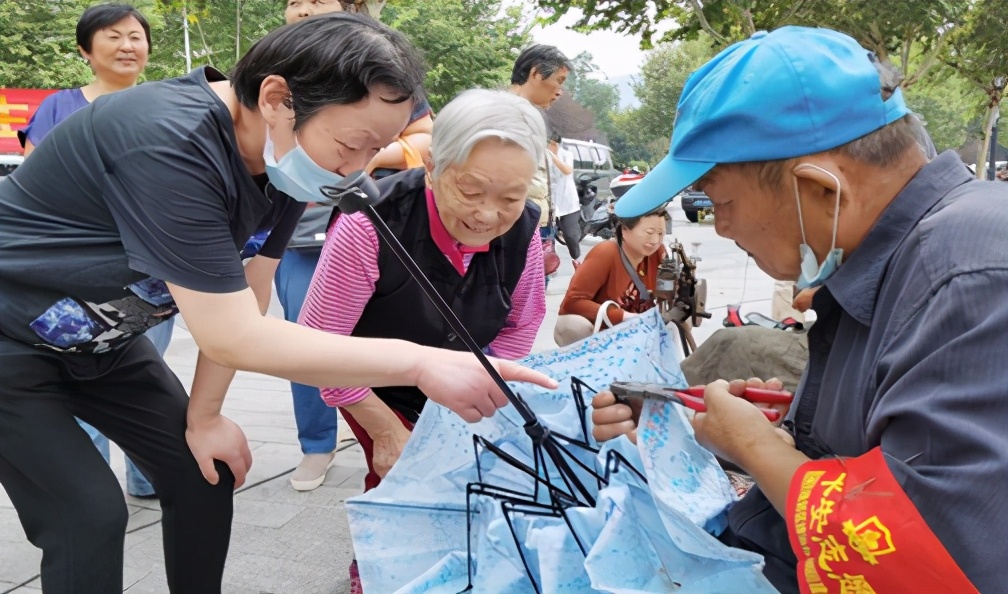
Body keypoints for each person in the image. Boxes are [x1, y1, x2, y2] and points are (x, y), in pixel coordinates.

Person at [0, 14, 554, 592]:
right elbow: (232, 334)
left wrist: (207, 417)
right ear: (276, 99)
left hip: (105, 344)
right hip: (11, 340)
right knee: (88, 515)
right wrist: (420, 362)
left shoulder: (282, 161)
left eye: (375, 151)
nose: (356, 172)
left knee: (206, 472)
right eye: (351, 145)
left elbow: (253, 288)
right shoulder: (165, 140)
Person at [592, 26, 1006, 593]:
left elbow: (934, 557)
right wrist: (771, 428)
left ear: (820, 190)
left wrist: (757, 448)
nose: (723, 228)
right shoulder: (898, 261)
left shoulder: (968, 280)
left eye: (722, 202)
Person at [299, 87, 547, 594]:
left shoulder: (523, 230)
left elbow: (523, 323)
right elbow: (318, 347)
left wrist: (483, 390)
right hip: (373, 382)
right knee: (398, 473)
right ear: (432, 166)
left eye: (510, 198)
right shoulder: (369, 223)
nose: (487, 216)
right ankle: (377, 567)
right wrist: (386, 430)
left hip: (464, 372)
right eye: (471, 191)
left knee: (468, 474)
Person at [278, 0, 435, 493]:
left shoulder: (383, 64)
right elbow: (236, 332)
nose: (305, 9)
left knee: (355, 348)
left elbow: (426, 138)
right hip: (296, 239)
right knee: (306, 344)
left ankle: (374, 429)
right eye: (294, 1)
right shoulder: (275, 72)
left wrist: (365, 148)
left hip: (360, 234)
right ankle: (316, 445)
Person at [18, 2, 161, 499]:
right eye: (113, 36)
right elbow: (31, 189)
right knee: (81, 375)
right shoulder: (59, 106)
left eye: (135, 36)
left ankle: (148, 477)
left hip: (145, 268)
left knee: (144, 377)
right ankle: (92, 491)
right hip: (71, 266)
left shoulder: (164, 105)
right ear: (85, 49)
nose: (127, 45)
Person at [553, 208, 668, 347]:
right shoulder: (605, 252)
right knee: (576, 325)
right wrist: (622, 316)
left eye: (660, 233)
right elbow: (573, 302)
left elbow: (669, 291)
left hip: (640, 329)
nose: (655, 240)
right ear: (624, 230)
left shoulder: (658, 253)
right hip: (602, 331)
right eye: (649, 232)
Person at [509, 44, 571, 282]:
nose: (560, 92)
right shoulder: (506, 113)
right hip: (517, 226)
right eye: (559, 81)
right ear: (535, 73)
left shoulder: (529, 114)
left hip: (535, 223)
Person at [548, 130, 582, 265]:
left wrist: (552, 156)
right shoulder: (543, 157)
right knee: (548, 235)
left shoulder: (567, 155)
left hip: (568, 203)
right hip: (551, 202)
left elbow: (567, 170)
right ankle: (549, 264)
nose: (551, 147)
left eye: (553, 144)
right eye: (549, 144)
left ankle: (577, 261)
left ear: (557, 144)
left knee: (570, 234)